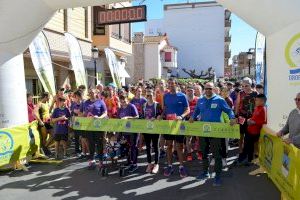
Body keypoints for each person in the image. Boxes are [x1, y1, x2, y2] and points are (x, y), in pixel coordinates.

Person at [191, 82, 236, 186]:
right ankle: (205, 172)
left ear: (213, 89)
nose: (208, 90)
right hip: (203, 131)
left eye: (210, 89)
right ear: (204, 89)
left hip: (216, 131)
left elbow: (229, 111)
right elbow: (196, 111)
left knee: (217, 155)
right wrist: (193, 117)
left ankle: (218, 176)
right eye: (206, 88)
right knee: (204, 153)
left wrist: (232, 118)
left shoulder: (220, 100)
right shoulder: (201, 100)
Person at [163, 78, 190, 178]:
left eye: (172, 84)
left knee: (179, 146)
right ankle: (170, 166)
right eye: (169, 84)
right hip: (168, 124)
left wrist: (181, 116)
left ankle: (181, 166)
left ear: (176, 85)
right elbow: (165, 109)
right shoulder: (165, 96)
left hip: (179, 124)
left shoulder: (182, 96)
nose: (171, 85)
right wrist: (160, 116)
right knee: (169, 146)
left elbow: (187, 110)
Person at [82, 89, 107, 169]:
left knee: (99, 144)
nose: (90, 94)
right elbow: (83, 113)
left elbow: (105, 113)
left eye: (92, 92)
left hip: (98, 126)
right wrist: (86, 116)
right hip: (89, 127)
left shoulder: (100, 101)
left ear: (96, 93)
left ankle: (100, 161)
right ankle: (92, 160)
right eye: (89, 92)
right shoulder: (86, 102)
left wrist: (99, 117)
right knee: (91, 144)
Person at [238, 94, 267, 164]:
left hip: (255, 132)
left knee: (249, 146)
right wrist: (250, 119)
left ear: (262, 101)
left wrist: (254, 122)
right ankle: (248, 159)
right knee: (248, 145)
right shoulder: (257, 108)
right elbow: (254, 117)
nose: (255, 101)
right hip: (249, 130)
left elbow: (264, 121)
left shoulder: (263, 109)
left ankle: (247, 159)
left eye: (257, 100)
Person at [117, 94, 139, 172]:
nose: (124, 103)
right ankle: (130, 161)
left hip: (133, 130)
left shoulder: (132, 106)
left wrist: (128, 117)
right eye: (122, 102)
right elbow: (118, 119)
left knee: (133, 147)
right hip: (125, 131)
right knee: (128, 147)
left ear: (127, 100)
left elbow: (137, 117)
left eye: (125, 101)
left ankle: (135, 164)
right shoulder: (119, 109)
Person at [142, 89, 162, 174]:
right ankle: (149, 164)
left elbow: (161, 114)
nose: (149, 97)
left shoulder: (157, 105)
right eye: (147, 95)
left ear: (153, 95)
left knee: (155, 146)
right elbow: (141, 115)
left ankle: (156, 164)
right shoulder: (144, 105)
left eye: (150, 95)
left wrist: (157, 117)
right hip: (146, 128)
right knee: (148, 146)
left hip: (155, 128)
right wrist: (144, 118)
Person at [235, 77, 257, 153]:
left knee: (250, 135)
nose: (244, 87)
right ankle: (240, 150)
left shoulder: (255, 94)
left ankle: (250, 151)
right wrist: (236, 115)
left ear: (250, 85)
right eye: (243, 86)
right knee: (241, 135)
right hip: (241, 117)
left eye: (246, 85)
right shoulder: (240, 93)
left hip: (251, 117)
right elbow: (237, 104)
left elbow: (257, 106)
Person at [34, 92, 52, 156]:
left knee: (53, 134)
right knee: (44, 137)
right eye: (48, 97)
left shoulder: (47, 103)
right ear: (45, 97)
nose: (49, 98)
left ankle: (45, 147)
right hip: (43, 123)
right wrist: (40, 121)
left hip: (48, 122)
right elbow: (35, 112)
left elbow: (48, 112)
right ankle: (45, 150)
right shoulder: (39, 103)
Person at [185, 86, 200, 161]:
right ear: (186, 91)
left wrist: (197, 117)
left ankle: (199, 152)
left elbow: (200, 110)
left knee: (198, 137)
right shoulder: (185, 99)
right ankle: (189, 153)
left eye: (191, 90)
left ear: (194, 91)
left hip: (196, 120)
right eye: (188, 90)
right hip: (187, 120)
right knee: (188, 138)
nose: (190, 92)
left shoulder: (198, 99)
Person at [70, 90, 84, 157]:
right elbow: (75, 111)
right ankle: (77, 150)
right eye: (76, 96)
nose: (77, 97)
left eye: (78, 96)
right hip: (76, 122)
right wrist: (80, 113)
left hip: (83, 122)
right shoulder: (73, 104)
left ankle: (83, 150)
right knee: (77, 137)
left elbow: (84, 112)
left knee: (82, 137)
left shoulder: (84, 102)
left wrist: (80, 113)